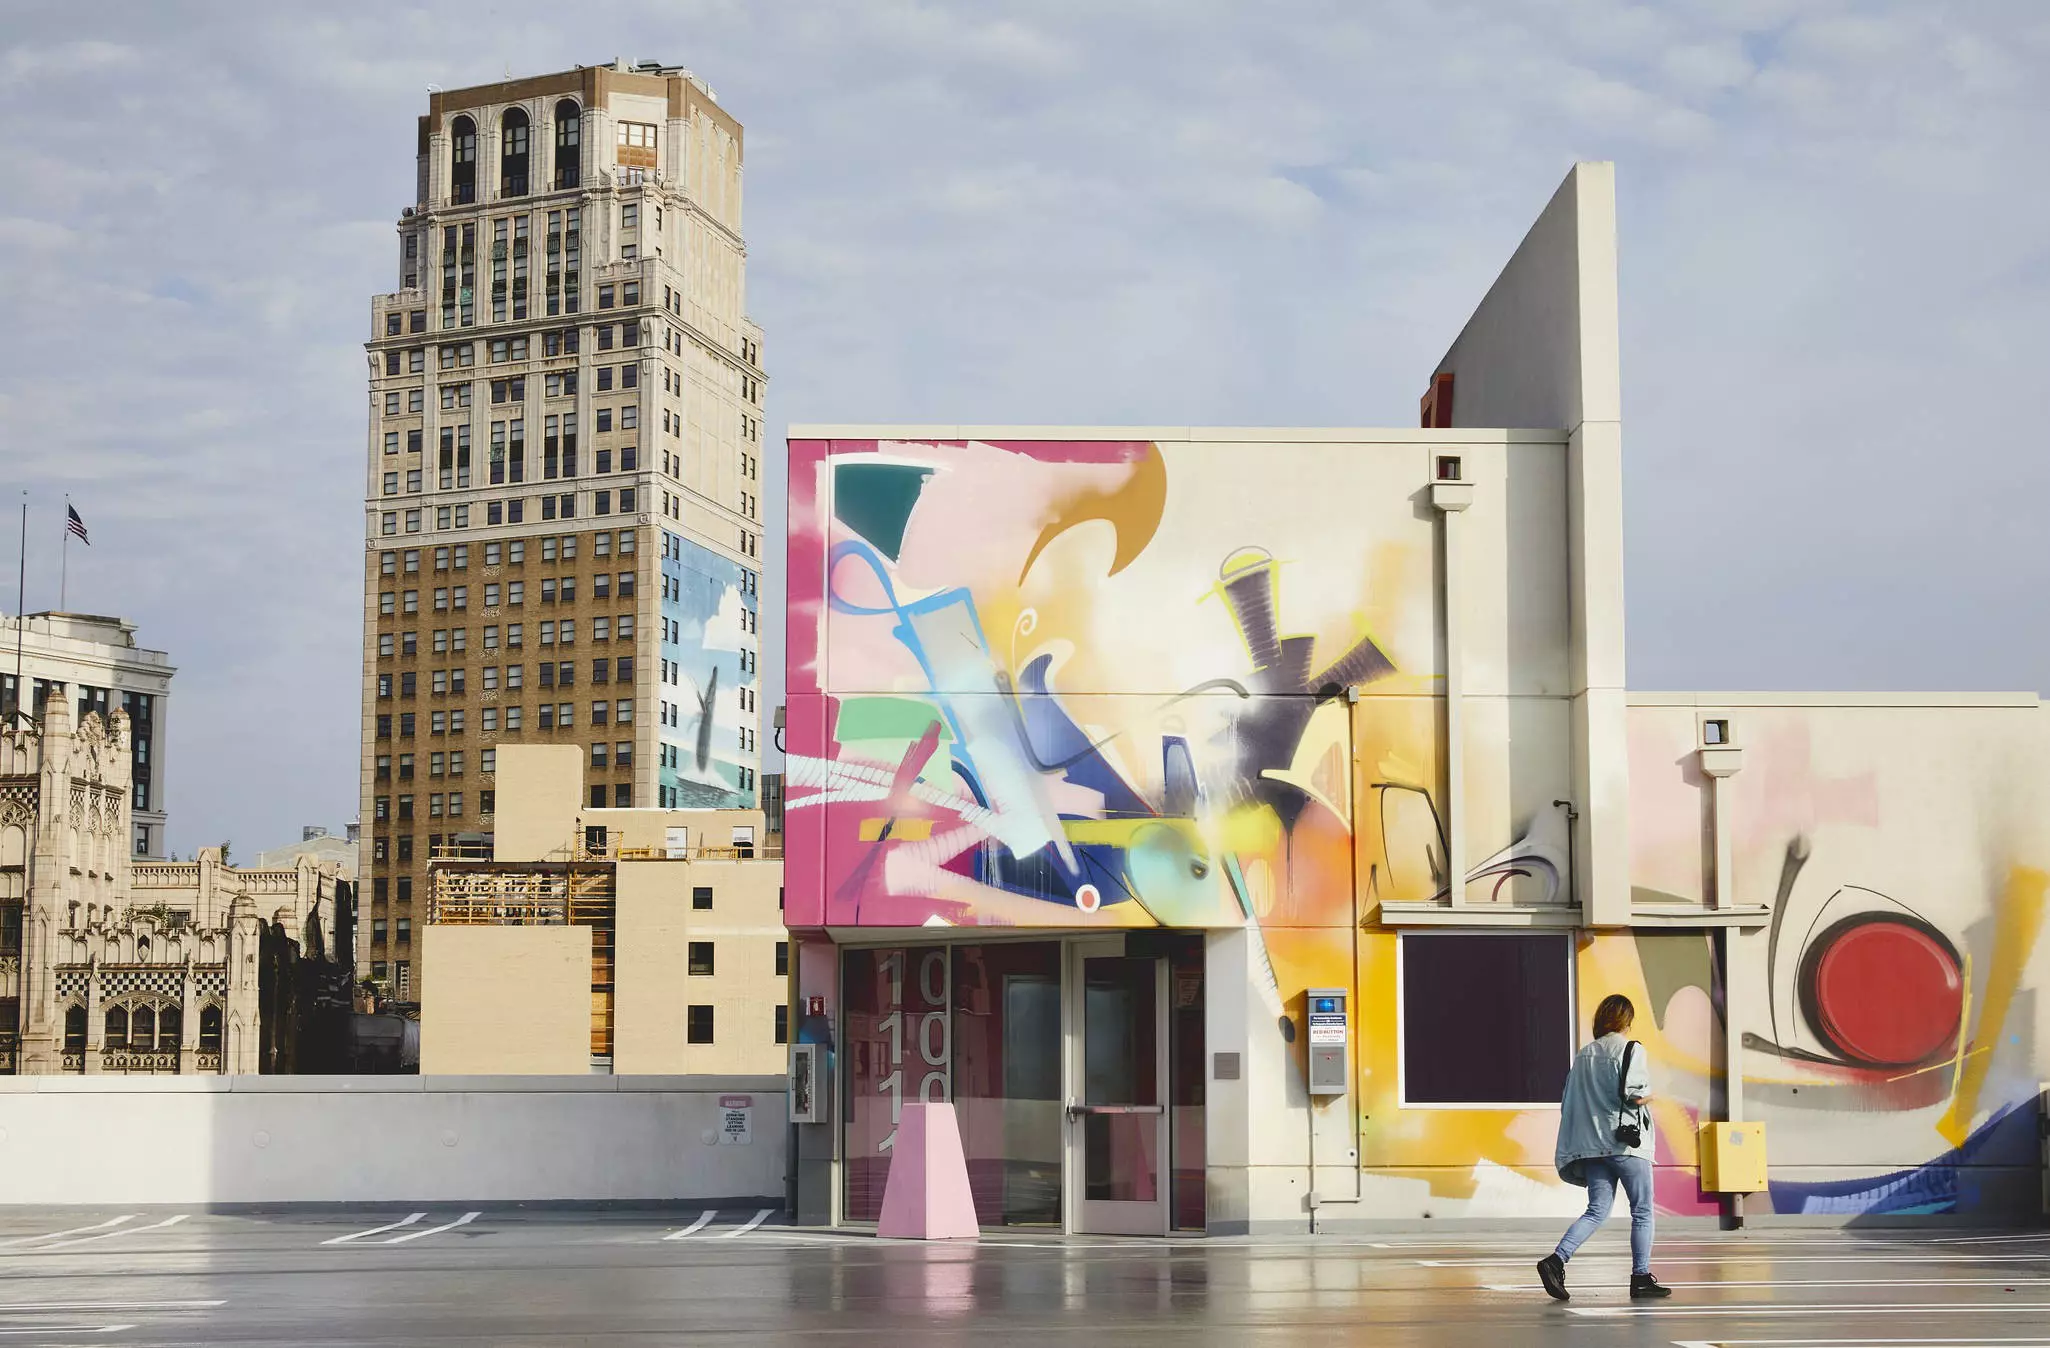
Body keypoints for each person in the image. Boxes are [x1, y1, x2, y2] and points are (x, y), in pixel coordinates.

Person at [1536, 993, 1670, 1301]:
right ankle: (1640, 1279)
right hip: (1625, 1146)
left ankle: (1556, 1260)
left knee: (1596, 1210)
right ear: (1626, 1020)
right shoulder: (1630, 1049)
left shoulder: (1584, 1055)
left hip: (1593, 1148)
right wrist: (1652, 1097)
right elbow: (1635, 1095)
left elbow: (1568, 1100)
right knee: (1643, 1211)